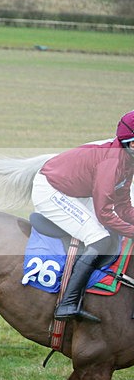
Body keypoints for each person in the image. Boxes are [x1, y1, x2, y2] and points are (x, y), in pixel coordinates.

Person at [31, 110, 134, 323]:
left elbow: (123, 205)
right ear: (131, 144)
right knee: (99, 237)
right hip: (52, 190)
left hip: (74, 190)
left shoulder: (127, 161)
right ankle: (67, 303)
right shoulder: (112, 163)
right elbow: (105, 213)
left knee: (111, 234)